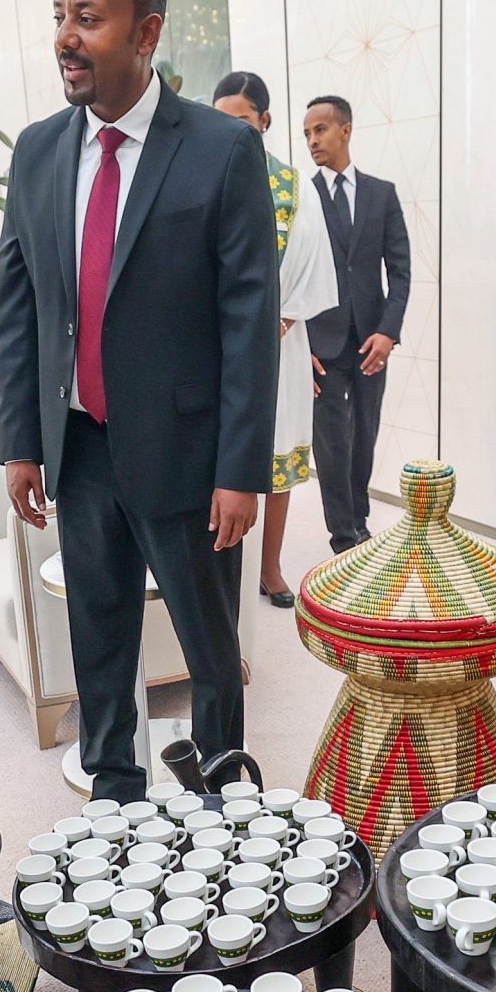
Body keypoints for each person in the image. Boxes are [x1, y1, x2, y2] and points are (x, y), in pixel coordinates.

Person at [0, 0, 277, 802]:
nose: (66, 39)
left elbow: (249, 320)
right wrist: (20, 442)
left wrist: (240, 469)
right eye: (58, 18)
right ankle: (116, 797)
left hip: (189, 457)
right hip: (79, 448)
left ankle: (220, 802)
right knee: (100, 635)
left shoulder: (222, 149)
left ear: (145, 31)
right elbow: (19, 307)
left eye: (88, 19)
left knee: (209, 652)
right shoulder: (41, 151)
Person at [212, 70, 339, 608]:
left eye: (241, 120)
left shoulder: (293, 187)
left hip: (278, 342)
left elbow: (312, 258)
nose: (231, 131)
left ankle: (269, 567)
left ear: (263, 121)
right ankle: (224, 572)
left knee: (276, 457)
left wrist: (280, 319)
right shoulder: (203, 178)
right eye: (220, 121)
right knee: (222, 460)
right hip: (214, 342)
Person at [301, 94, 410, 554]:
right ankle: (343, 536)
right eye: (306, 133)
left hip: (370, 340)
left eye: (320, 130)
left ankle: (359, 518)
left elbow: (400, 270)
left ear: (345, 129)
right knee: (330, 445)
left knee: (365, 433)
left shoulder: (381, 194)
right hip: (320, 342)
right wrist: (297, 343)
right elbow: (289, 274)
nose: (312, 140)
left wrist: (387, 332)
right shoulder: (300, 198)